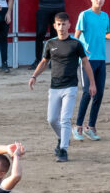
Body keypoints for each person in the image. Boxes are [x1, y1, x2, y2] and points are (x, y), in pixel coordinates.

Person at [29, 13, 97, 163]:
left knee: (65, 119)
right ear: (54, 26)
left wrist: (92, 83)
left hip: (70, 86)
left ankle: (63, 149)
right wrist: (34, 76)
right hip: (54, 87)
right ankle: (62, 138)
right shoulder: (50, 44)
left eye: (64, 24)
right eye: (58, 24)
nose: (61, 27)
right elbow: (44, 62)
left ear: (69, 25)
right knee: (52, 119)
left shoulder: (76, 44)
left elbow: (86, 63)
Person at [74, 0, 110, 141]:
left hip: (101, 59)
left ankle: (91, 127)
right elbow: (77, 36)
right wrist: (77, 54)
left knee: (99, 93)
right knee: (87, 92)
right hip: (87, 60)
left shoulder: (105, 16)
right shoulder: (85, 15)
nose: (99, 0)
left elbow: (106, 33)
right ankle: (78, 127)